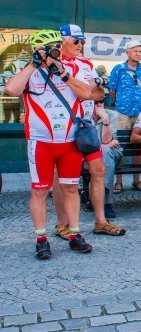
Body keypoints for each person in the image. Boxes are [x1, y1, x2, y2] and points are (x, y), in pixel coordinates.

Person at [5, 29, 95, 259]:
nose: (51, 52)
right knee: (39, 190)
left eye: (55, 47)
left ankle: (75, 234)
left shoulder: (71, 67)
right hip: (41, 142)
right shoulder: (28, 71)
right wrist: (33, 64)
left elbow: (87, 92)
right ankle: (41, 239)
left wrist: (62, 73)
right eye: (46, 49)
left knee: (71, 188)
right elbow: (11, 90)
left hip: (69, 142)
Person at [54, 25, 126, 237]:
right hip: (62, 126)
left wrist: (85, 89)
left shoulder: (85, 63)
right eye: (76, 41)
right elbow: (82, 92)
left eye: (82, 41)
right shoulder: (54, 64)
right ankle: (62, 224)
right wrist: (87, 88)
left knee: (99, 171)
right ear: (62, 41)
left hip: (86, 126)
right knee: (62, 177)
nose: (80, 45)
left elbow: (98, 93)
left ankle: (100, 221)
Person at [108, 40, 141, 193]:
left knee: (137, 146)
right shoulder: (118, 69)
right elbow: (112, 90)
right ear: (127, 52)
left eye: (140, 51)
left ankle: (136, 180)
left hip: (140, 112)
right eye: (135, 51)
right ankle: (119, 182)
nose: (138, 54)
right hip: (123, 112)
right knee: (120, 146)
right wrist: (120, 103)